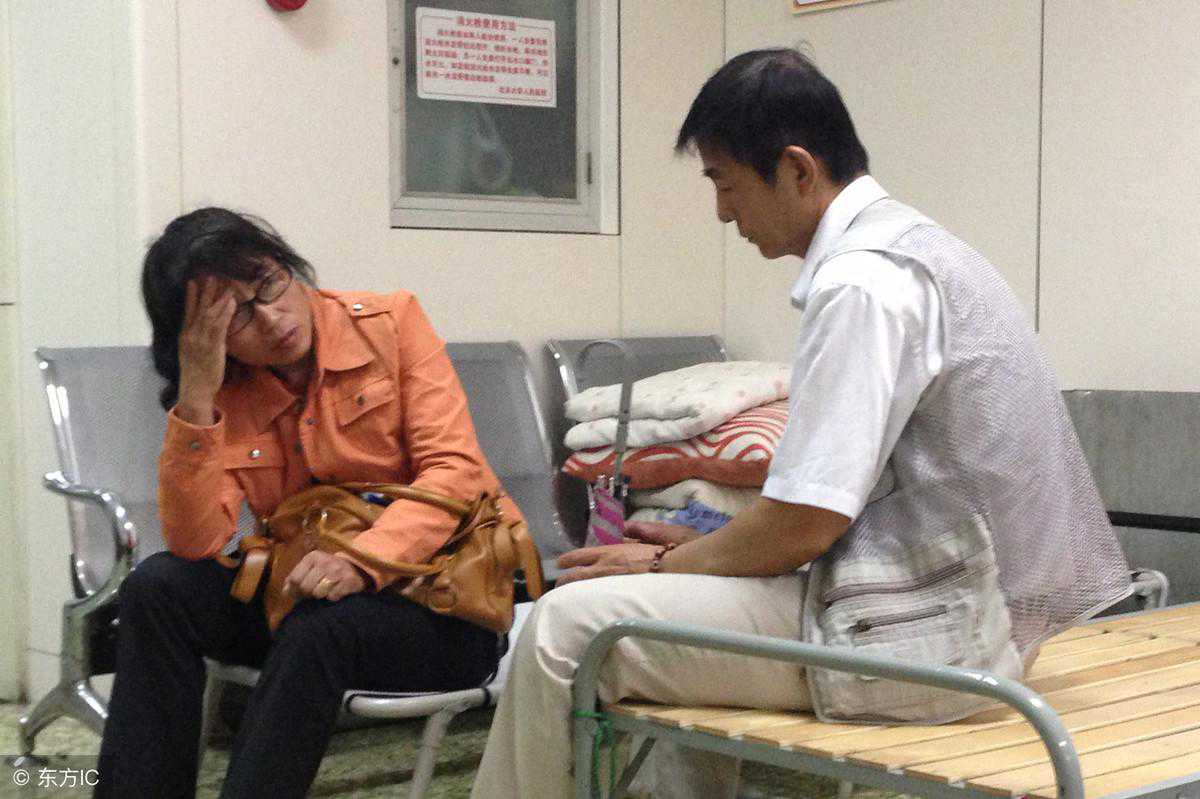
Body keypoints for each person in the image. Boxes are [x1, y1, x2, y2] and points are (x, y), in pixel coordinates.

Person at [470, 48, 1131, 799]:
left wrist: (664, 566)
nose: (723, 212)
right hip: (972, 615)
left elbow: (804, 524)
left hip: (932, 640)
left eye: (725, 182)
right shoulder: (925, 250)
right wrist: (700, 555)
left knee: (564, 627)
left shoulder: (862, 283)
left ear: (795, 169)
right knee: (660, 630)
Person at [95, 207, 520, 798]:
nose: (270, 319)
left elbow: (455, 471)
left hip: (444, 604)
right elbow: (196, 541)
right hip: (301, 597)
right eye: (235, 317)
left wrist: (360, 560)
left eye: (267, 284)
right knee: (157, 587)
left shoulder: (391, 323)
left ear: (284, 263)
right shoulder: (226, 386)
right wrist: (196, 397)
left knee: (318, 626)